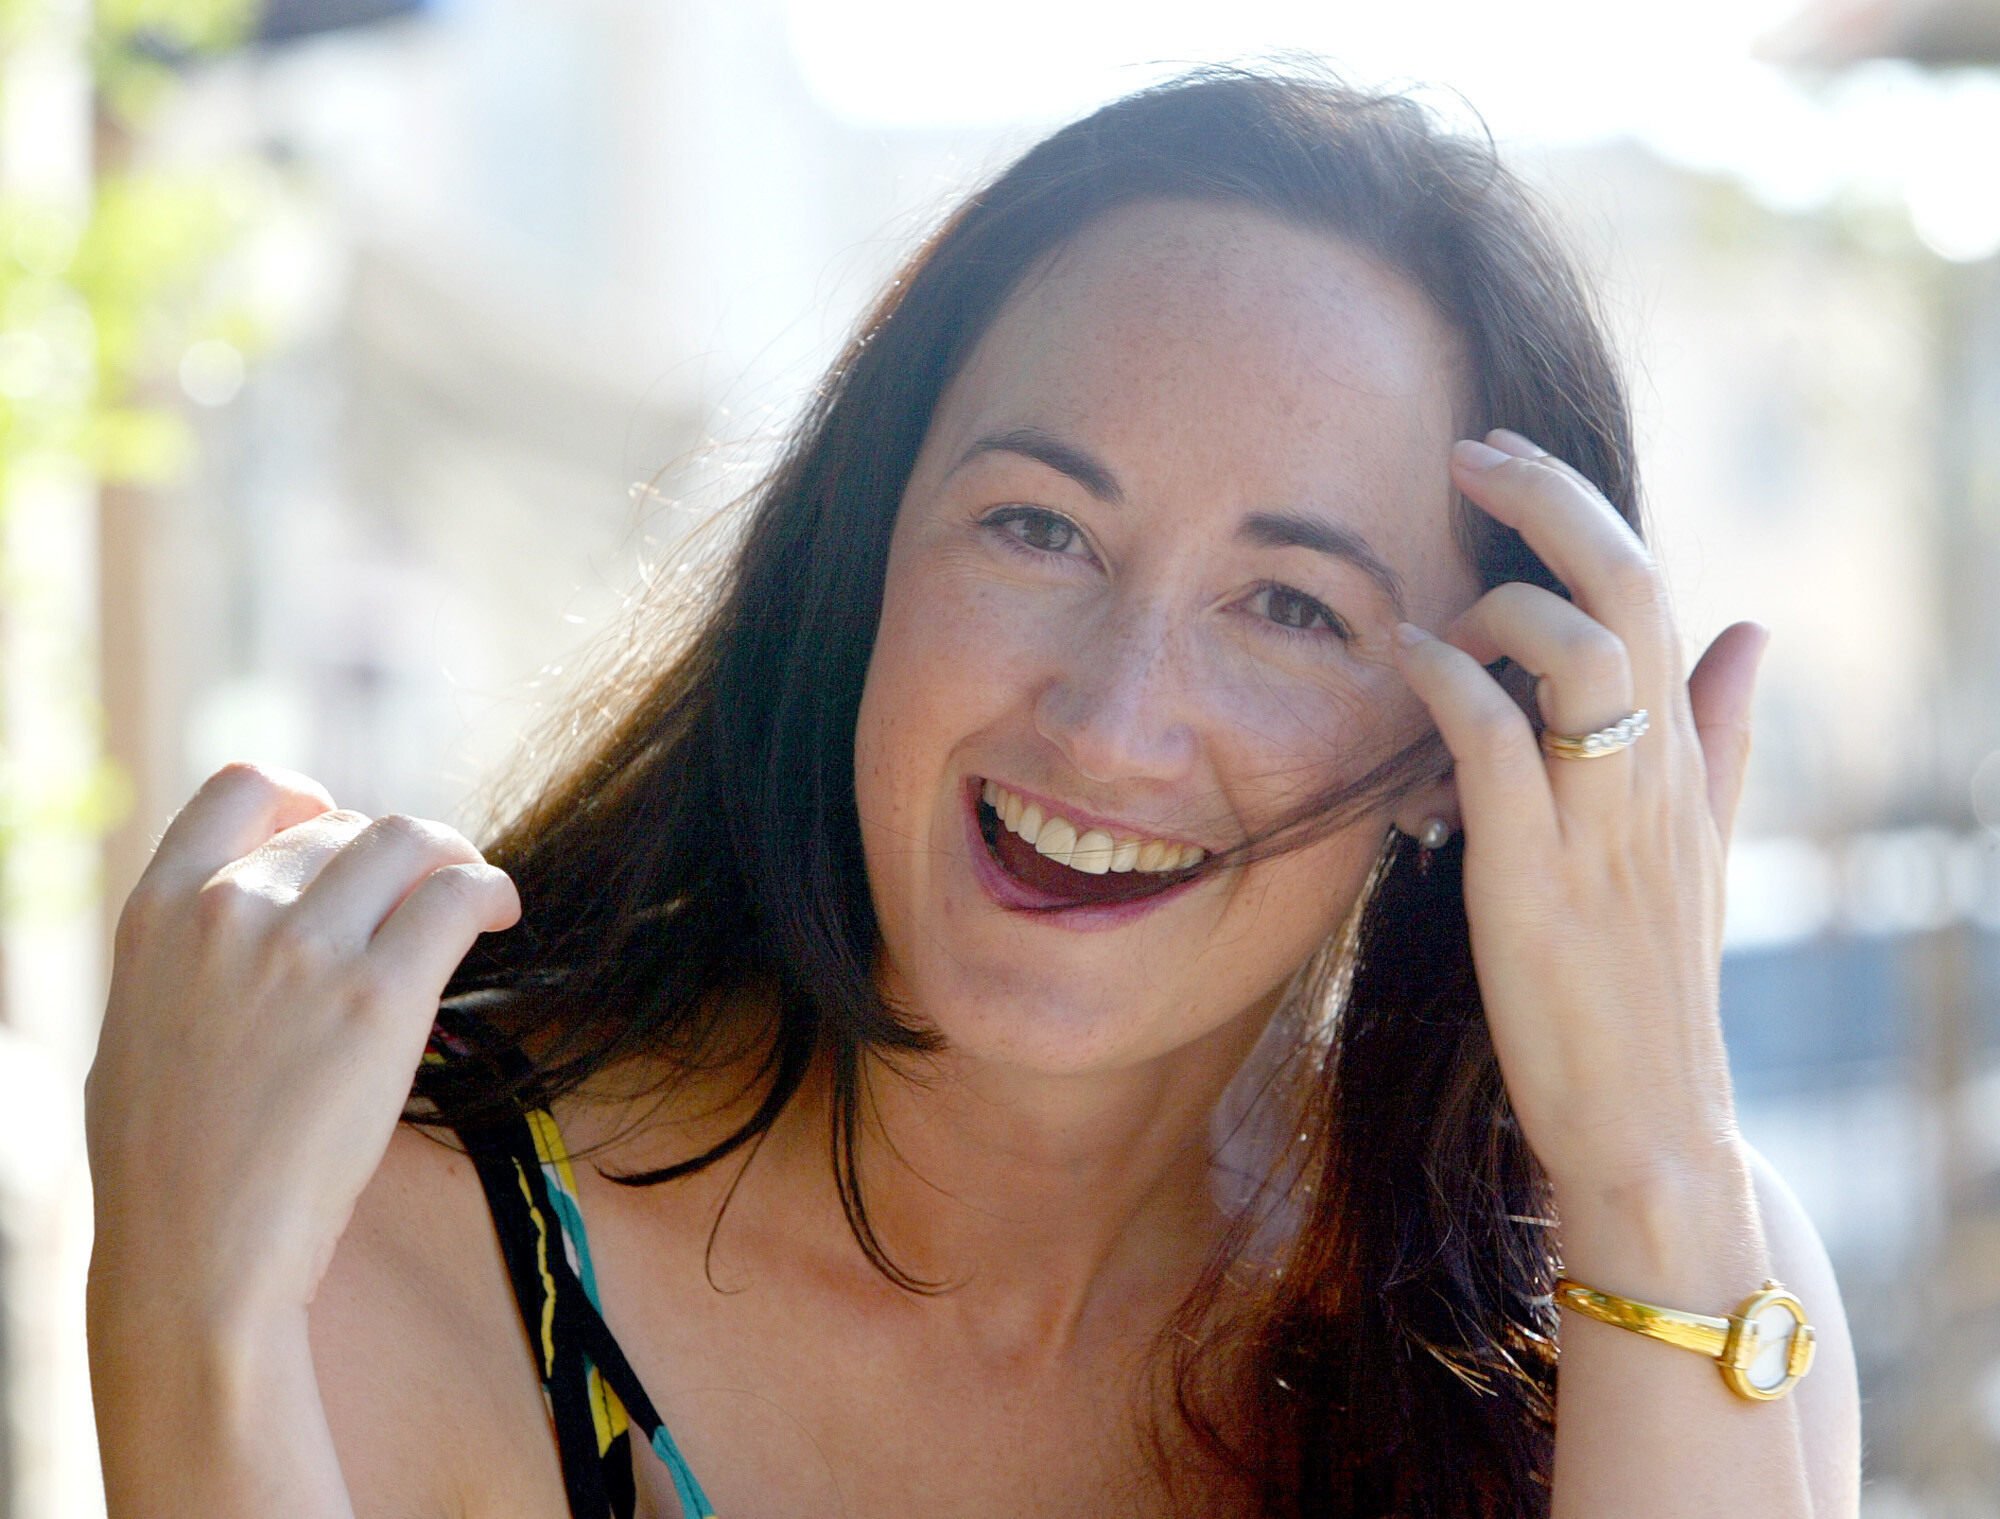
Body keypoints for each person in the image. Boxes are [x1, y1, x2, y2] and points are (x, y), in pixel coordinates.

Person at [84, 63, 1860, 1518]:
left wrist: (1648, 1176)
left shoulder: (1668, 1287)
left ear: (1466, 747)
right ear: (869, 555)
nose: (1113, 717)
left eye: (1292, 607)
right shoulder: (385, 1228)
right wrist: (188, 1335)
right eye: (1038, 527)